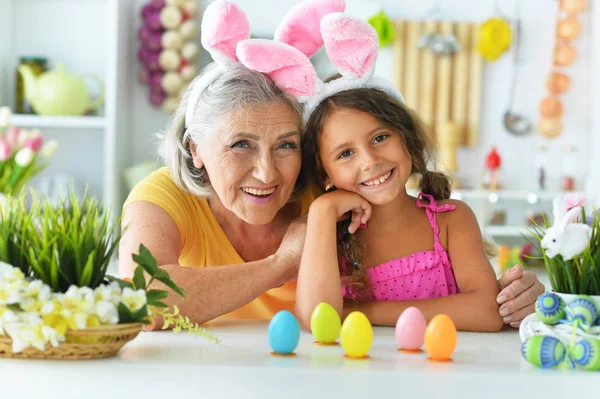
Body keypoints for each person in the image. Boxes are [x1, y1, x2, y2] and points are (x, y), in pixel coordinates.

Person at [119, 0, 544, 329]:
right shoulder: (166, 196)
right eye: (241, 145)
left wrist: (523, 296)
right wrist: (282, 263)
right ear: (196, 148)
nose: (267, 173)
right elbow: (142, 297)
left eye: (286, 145)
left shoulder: (339, 195)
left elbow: (465, 289)